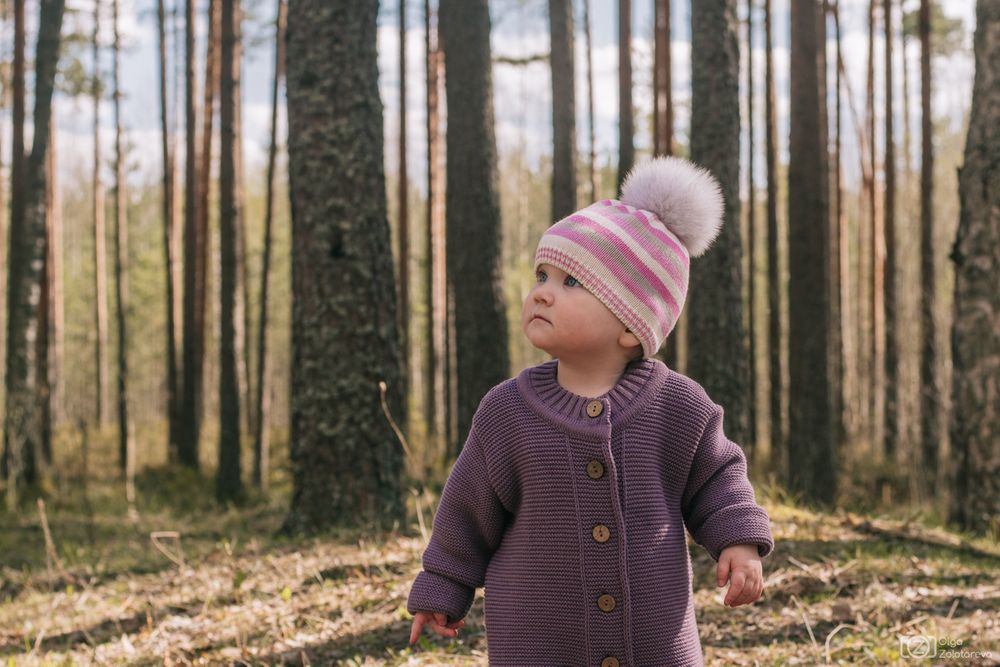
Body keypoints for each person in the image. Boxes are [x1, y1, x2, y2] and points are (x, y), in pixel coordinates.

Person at [406, 156, 774, 666]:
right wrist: (443, 585)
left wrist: (739, 541)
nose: (541, 292)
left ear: (631, 323)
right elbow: (467, 509)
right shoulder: (507, 412)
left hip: (654, 644)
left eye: (570, 282)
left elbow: (718, 478)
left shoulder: (679, 407)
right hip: (537, 644)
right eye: (541, 274)